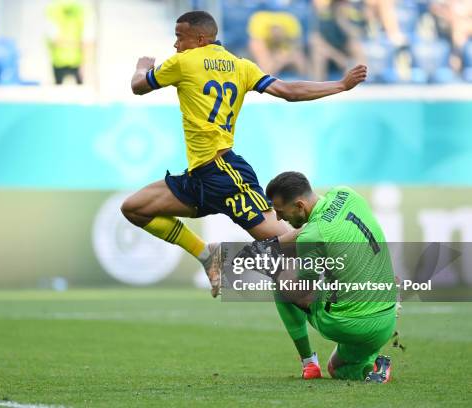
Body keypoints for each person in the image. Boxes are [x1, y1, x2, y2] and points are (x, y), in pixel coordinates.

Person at [121, 11, 367, 298]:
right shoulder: (241, 66)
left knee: (284, 244)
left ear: (200, 39)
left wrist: (141, 67)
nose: (176, 45)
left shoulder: (183, 62)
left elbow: (138, 87)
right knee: (134, 208)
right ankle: (207, 255)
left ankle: (364, 275)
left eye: (180, 38)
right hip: (200, 176)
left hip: (226, 175)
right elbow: (289, 90)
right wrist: (339, 84)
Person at [246, 171, 397, 382]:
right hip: (387, 317)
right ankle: (373, 367)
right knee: (337, 369)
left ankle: (309, 363)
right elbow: (321, 229)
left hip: (347, 323)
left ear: (300, 206)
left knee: (281, 277)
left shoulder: (312, 236)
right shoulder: (346, 194)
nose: (279, 219)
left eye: (281, 212)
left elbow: (304, 288)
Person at [247, 10, 307, 77]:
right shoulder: (258, 39)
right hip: (264, 66)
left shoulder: (290, 28)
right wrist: (279, 61)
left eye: (279, 30)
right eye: (274, 30)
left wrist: (287, 56)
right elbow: (266, 74)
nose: (276, 34)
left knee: (298, 56)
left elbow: (305, 71)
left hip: (283, 52)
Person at [46, 0, 86, 85]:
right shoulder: (80, 7)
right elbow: (86, 41)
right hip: (73, 59)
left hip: (61, 60)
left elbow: (53, 38)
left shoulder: (53, 7)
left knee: (59, 92)